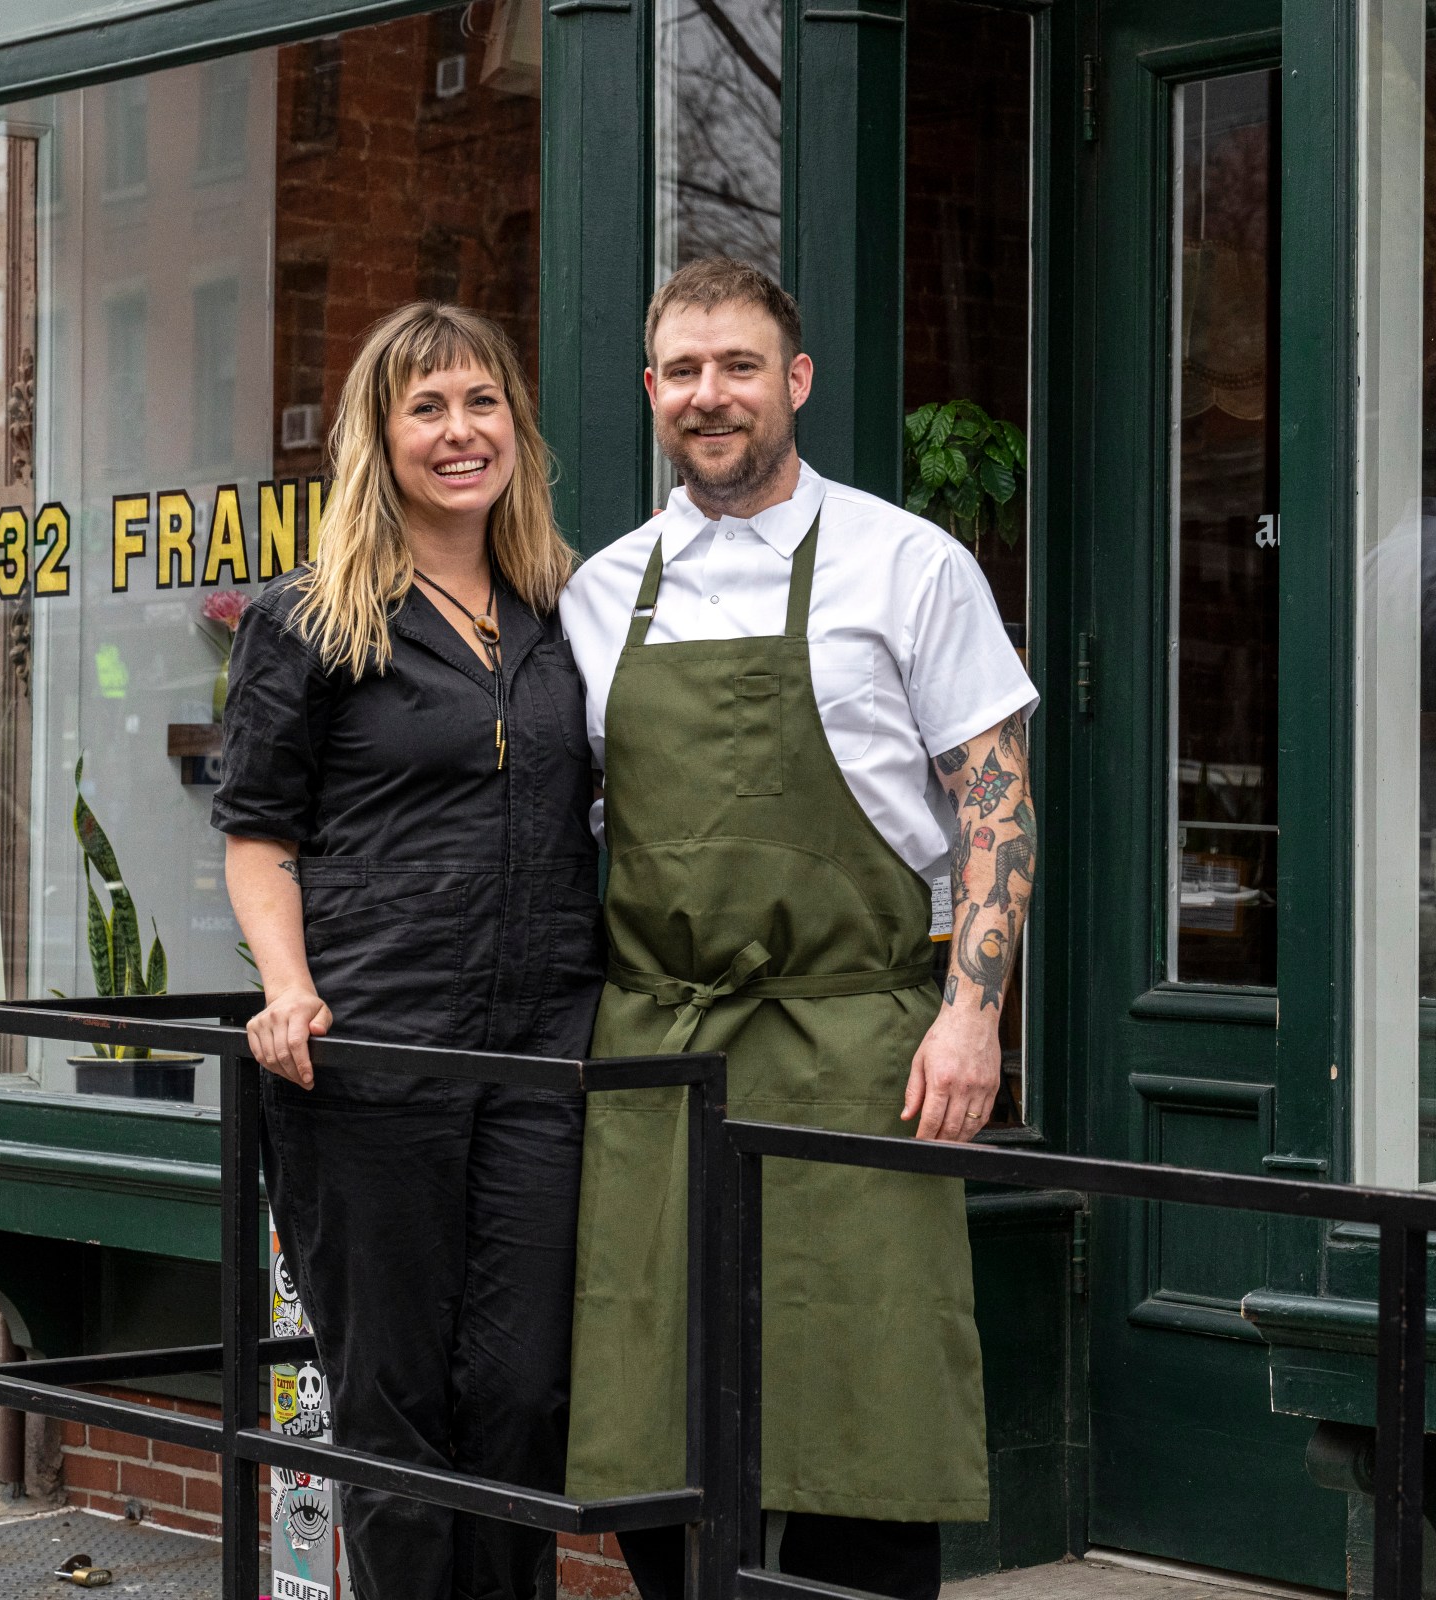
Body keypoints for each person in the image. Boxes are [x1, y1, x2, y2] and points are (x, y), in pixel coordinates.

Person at [560, 257, 1038, 1600]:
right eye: (686, 371)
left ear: (797, 382)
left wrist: (973, 1012)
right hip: (656, 1053)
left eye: (741, 366)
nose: (713, 396)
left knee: (864, 1407)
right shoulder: (602, 593)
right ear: (653, 391)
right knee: (651, 1400)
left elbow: (997, 808)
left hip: (857, 1045)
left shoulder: (909, 564)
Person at [217, 301, 604, 1600]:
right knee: (393, 1405)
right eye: (427, 407)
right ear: (379, 438)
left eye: (482, 402)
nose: (459, 431)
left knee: (521, 1390)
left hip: (546, 1058)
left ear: (516, 427)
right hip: (374, 1060)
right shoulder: (312, 621)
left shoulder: (563, 610)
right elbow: (258, 838)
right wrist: (289, 990)